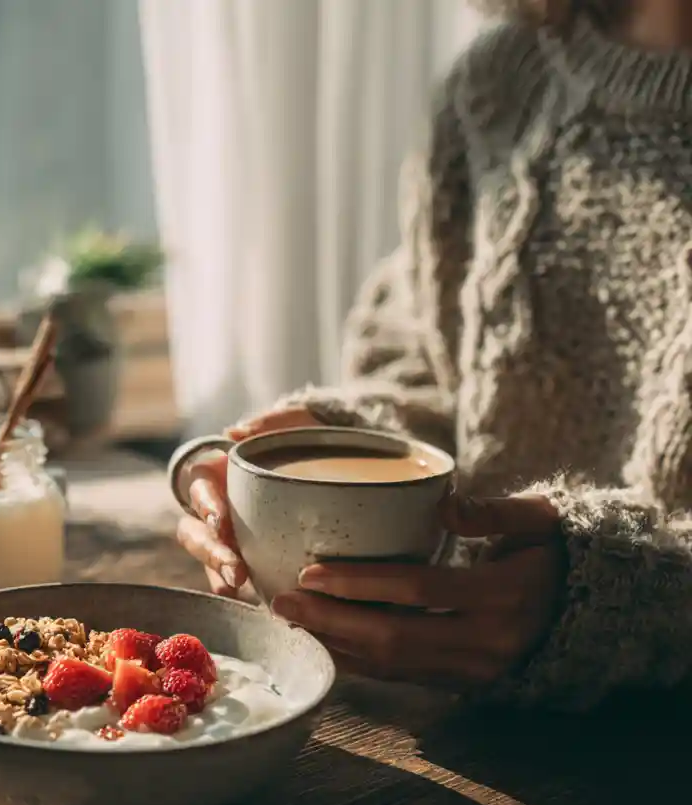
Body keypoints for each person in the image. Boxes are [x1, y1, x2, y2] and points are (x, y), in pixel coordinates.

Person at [172, 0, 692, 709]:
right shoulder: (502, 81)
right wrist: (332, 435)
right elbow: (428, 361)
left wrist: (628, 597)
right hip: (442, 733)